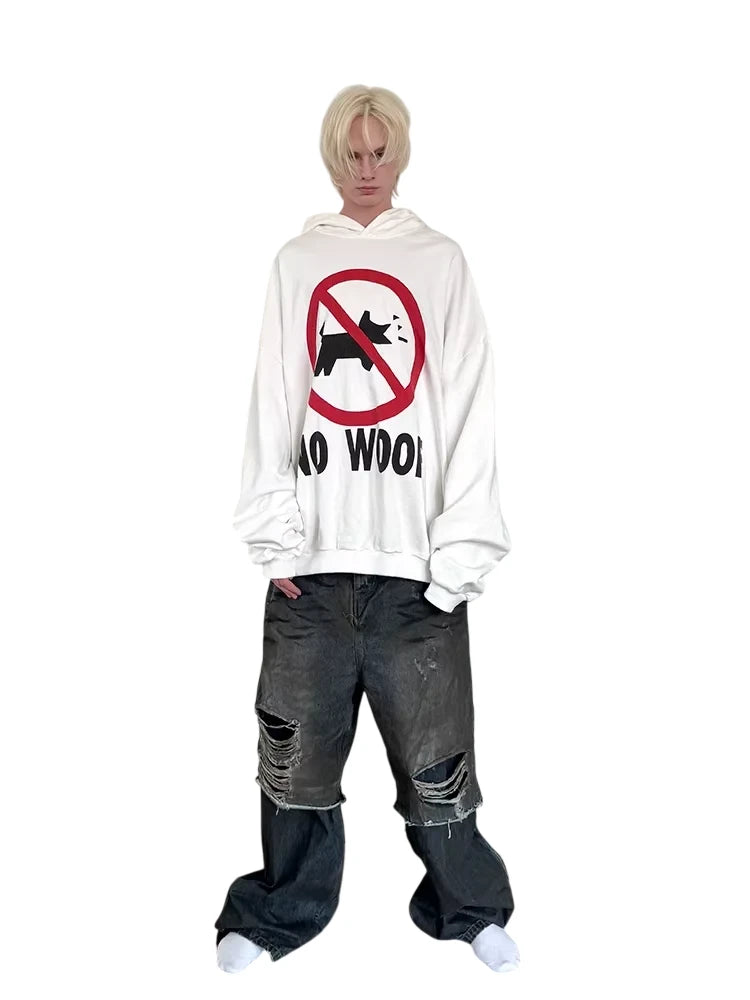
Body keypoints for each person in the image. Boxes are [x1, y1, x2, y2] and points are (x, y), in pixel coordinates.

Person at [214, 84, 520, 973]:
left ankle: (469, 908)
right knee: (294, 758)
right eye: (352, 153)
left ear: (401, 153)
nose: (366, 169)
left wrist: (460, 553)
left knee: (438, 761)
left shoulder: (440, 261)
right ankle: (278, 914)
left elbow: (470, 403)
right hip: (311, 566)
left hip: (416, 564)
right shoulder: (299, 261)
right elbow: (274, 397)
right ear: (332, 156)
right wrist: (274, 536)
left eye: (380, 152)